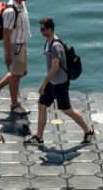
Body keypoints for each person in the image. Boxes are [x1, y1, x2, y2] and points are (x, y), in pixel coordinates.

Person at [34, 18, 93, 146]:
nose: (41, 32)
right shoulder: (48, 42)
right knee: (42, 106)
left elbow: (55, 68)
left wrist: (44, 83)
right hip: (53, 82)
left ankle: (88, 131)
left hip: (60, 83)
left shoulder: (55, 46)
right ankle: (38, 137)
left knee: (67, 110)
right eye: (40, 29)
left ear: (50, 29)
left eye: (43, 29)